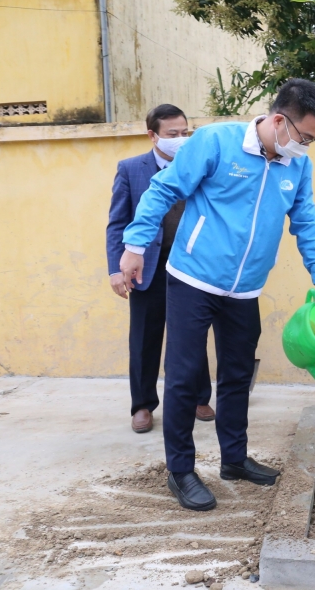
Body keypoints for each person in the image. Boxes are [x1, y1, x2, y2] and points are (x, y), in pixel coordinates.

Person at [118, 79, 315, 511]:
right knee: (184, 378)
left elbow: (306, 221)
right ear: (279, 121)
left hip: (245, 289)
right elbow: (163, 190)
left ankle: (234, 460)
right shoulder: (216, 142)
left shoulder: (297, 166)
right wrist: (134, 246)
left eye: (314, 140)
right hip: (193, 280)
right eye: (306, 136)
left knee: (237, 376)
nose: (307, 146)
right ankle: (181, 471)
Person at [107, 104, 215, 434]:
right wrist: (116, 268)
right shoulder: (130, 169)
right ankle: (142, 405)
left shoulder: (201, 166)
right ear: (153, 135)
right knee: (144, 338)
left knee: (191, 335)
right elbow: (117, 224)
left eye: (186, 133)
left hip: (190, 266)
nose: (181, 139)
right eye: (173, 134)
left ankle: (198, 397)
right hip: (146, 268)